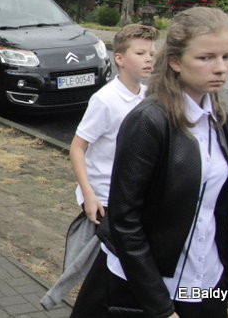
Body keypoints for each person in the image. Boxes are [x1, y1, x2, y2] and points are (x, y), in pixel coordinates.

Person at [71, 7, 228, 318]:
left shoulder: (218, 118)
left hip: (203, 281)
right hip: (154, 285)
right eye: (206, 58)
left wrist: (226, 284)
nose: (220, 68)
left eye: (227, 57)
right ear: (175, 61)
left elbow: (214, 210)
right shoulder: (149, 120)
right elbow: (125, 221)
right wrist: (161, 308)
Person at [41, 23, 158, 310]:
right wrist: (89, 195)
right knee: (108, 269)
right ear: (119, 58)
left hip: (133, 199)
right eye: (140, 52)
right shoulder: (105, 100)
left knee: (116, 271)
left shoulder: (148, 97)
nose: (149, 59)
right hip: (105, 200)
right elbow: (78, 148)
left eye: (152, 53)